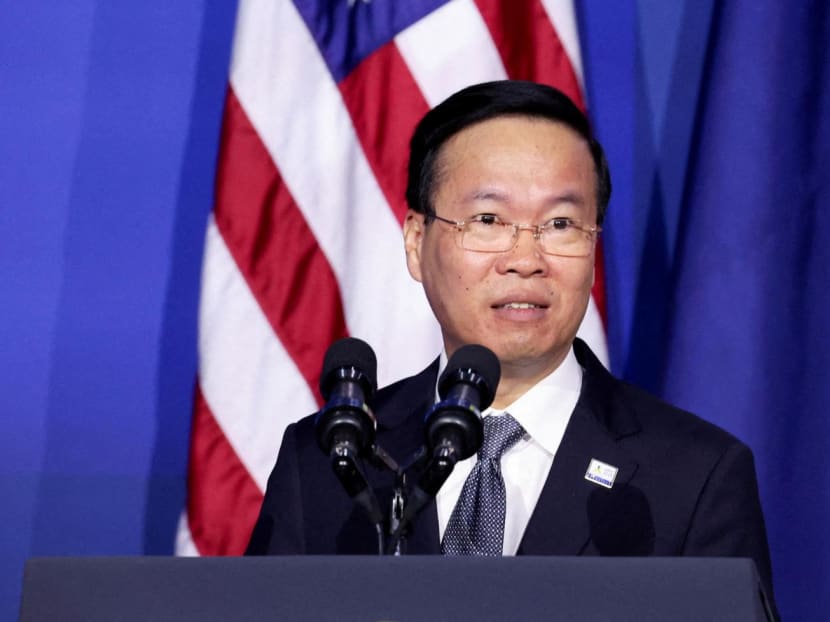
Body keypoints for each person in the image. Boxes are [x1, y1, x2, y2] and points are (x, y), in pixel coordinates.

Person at [245, 80, 776, 615]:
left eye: (561, 224)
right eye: (489, 220)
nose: (526, 258)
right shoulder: (329, 459)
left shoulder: (696, 475)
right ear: (416, 242)